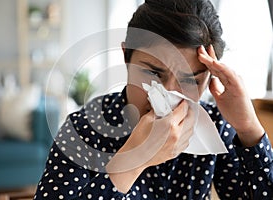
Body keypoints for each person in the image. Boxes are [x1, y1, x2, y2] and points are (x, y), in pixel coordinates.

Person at [34, 0, 273, 199]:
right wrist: (134, 159)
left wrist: (249, 129)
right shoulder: (83, 129)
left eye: (191, 80)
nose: (168, 93)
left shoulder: (215, 127)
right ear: (126, 57)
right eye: (152, 73)